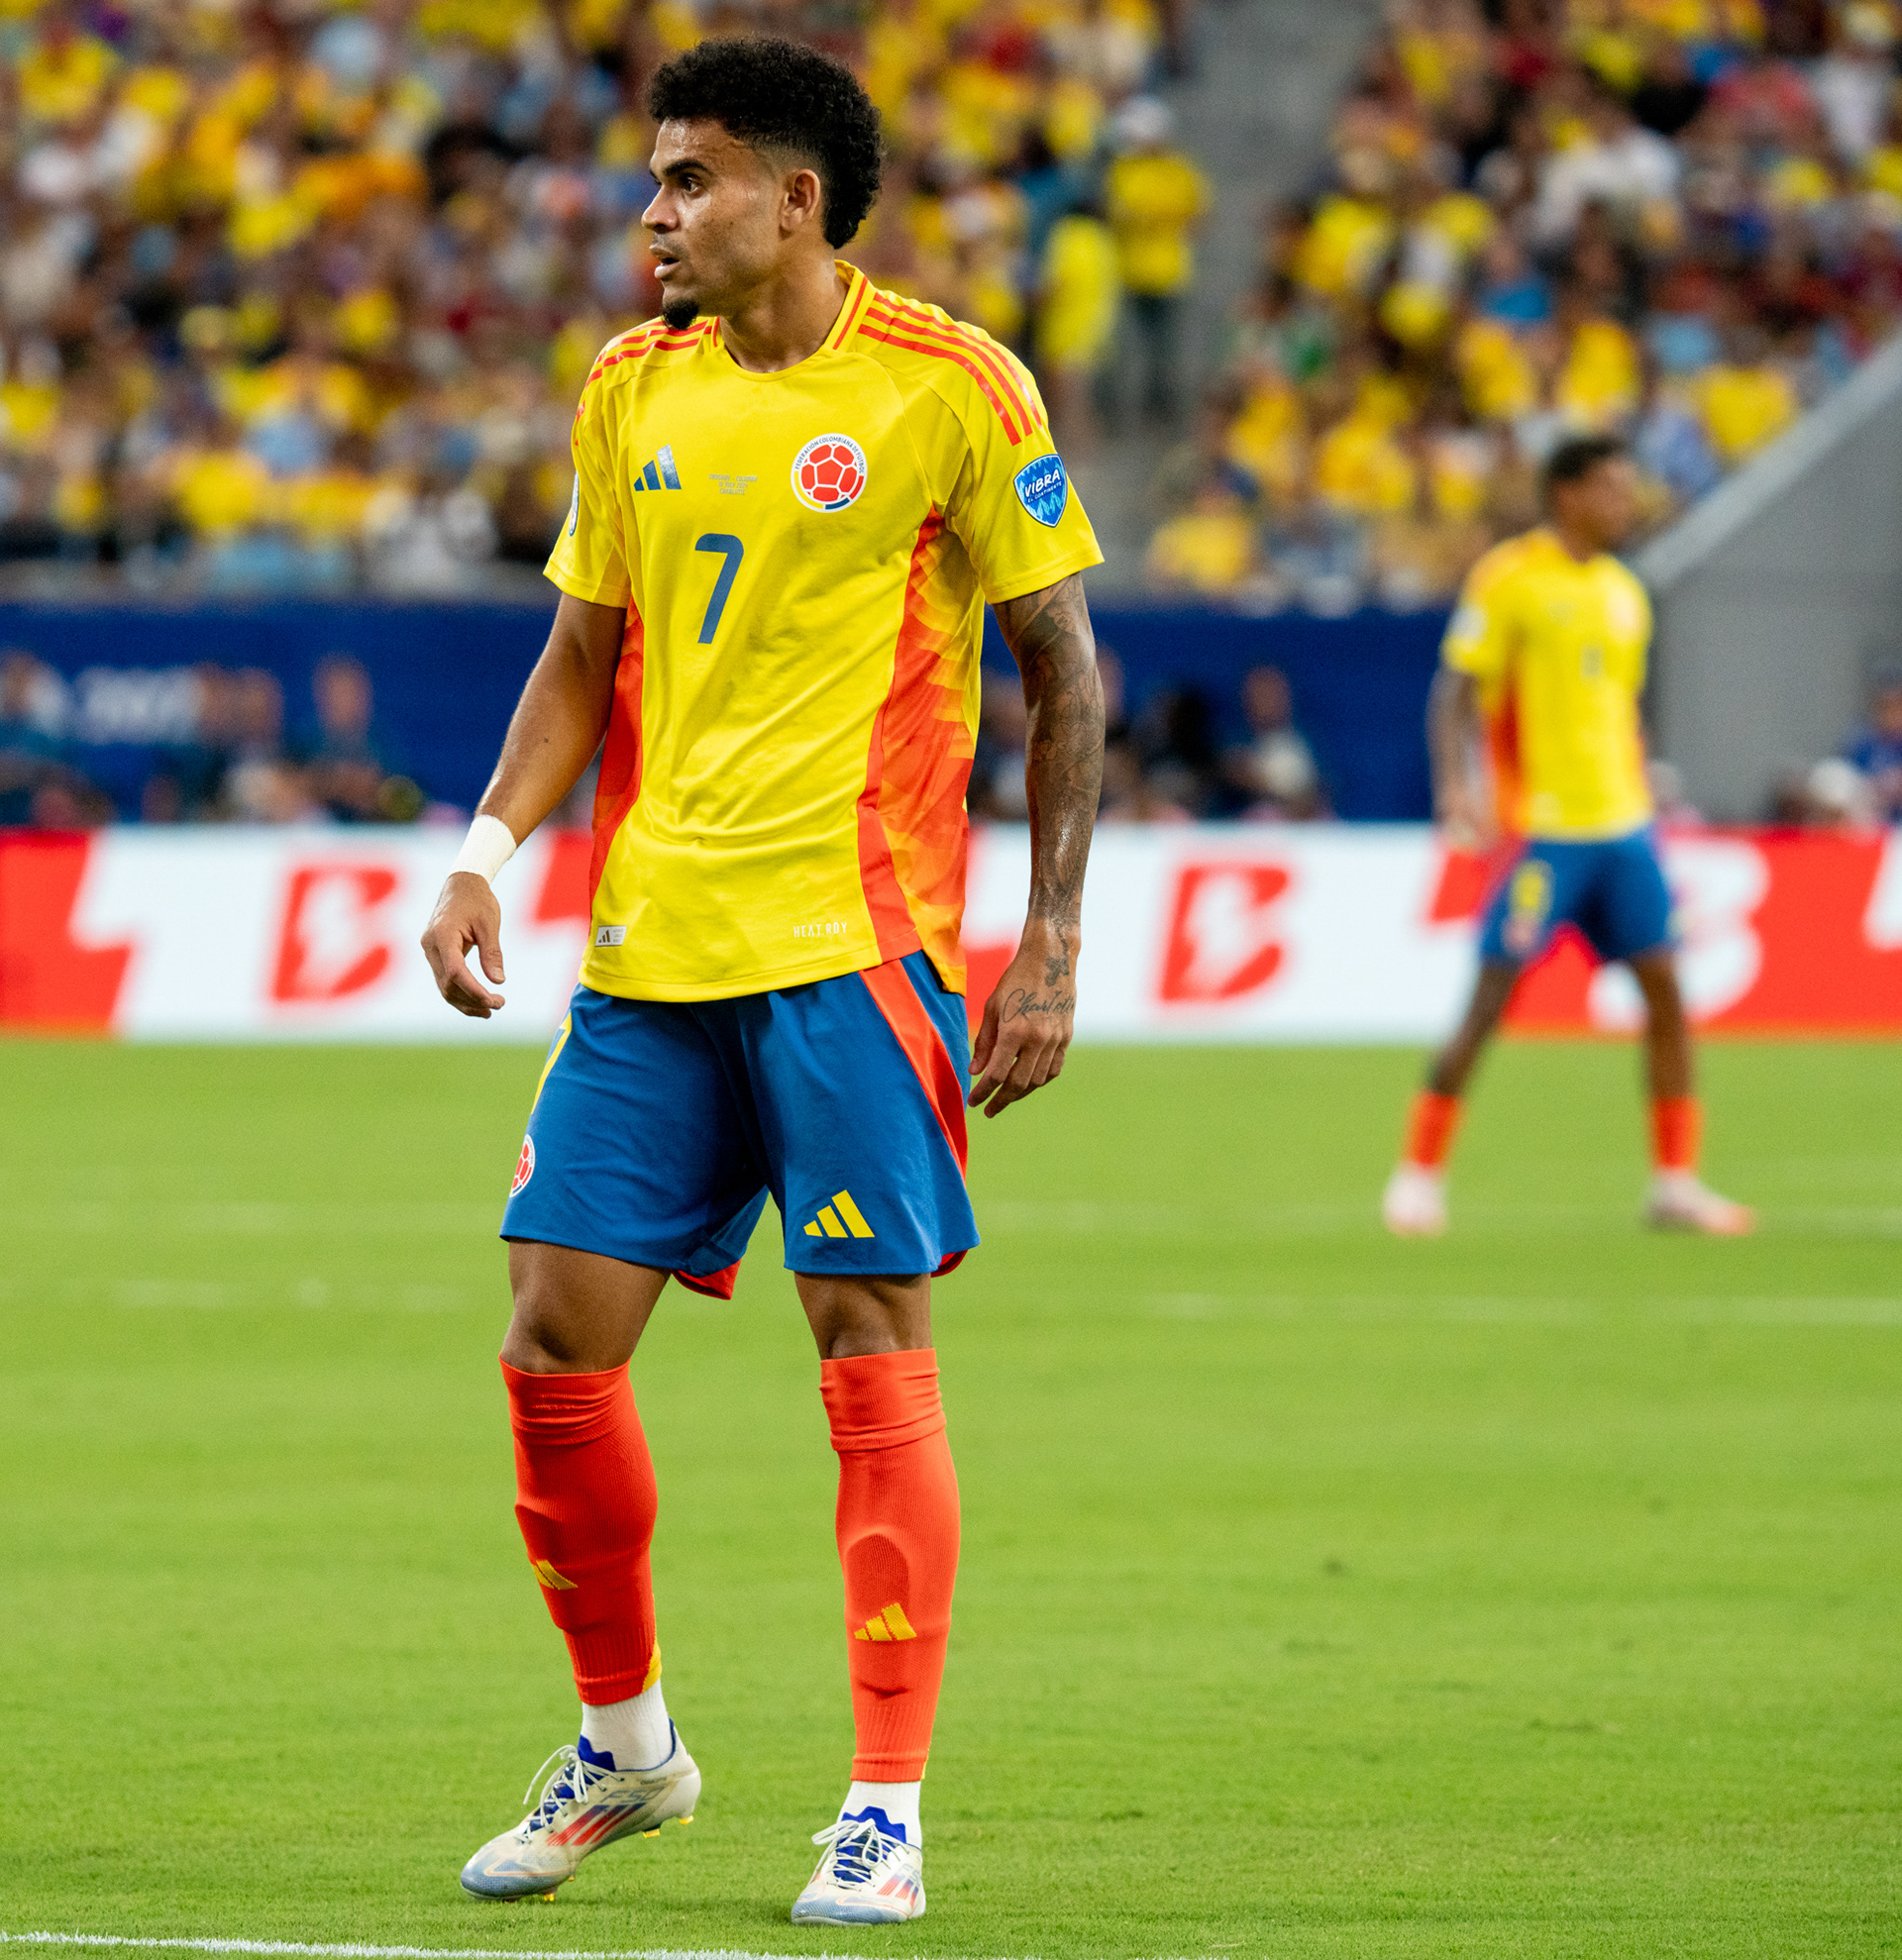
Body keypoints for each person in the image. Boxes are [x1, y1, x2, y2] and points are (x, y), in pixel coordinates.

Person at [418, 37, 1105, 1930]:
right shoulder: (629, 387)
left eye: (689, 181)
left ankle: (882, 1803)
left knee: (869, 1345)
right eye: (652, 182)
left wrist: (1046, 938)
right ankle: (627, 1746)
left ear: (793, 199)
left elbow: (1064, 666)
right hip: (653, 949)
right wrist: (485, 856)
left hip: (855, 949)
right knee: (554, 1333)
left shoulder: (953, 383)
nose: (653, 216)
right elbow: (580, 655)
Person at [1382, 434, 1751, 1240]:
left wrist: (1646, 777)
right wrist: (1460, 784)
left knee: (1666, 998)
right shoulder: (1511, 577)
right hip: (1542, 833)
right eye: (1613, 489)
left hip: (1623, 827)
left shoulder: (1626, 591)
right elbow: (1456, 687)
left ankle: (1675, 1181)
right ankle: (1418, 1174)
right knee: (1489, 1002)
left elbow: (1618, 704)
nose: (1627, 503)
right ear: (1570, 493)